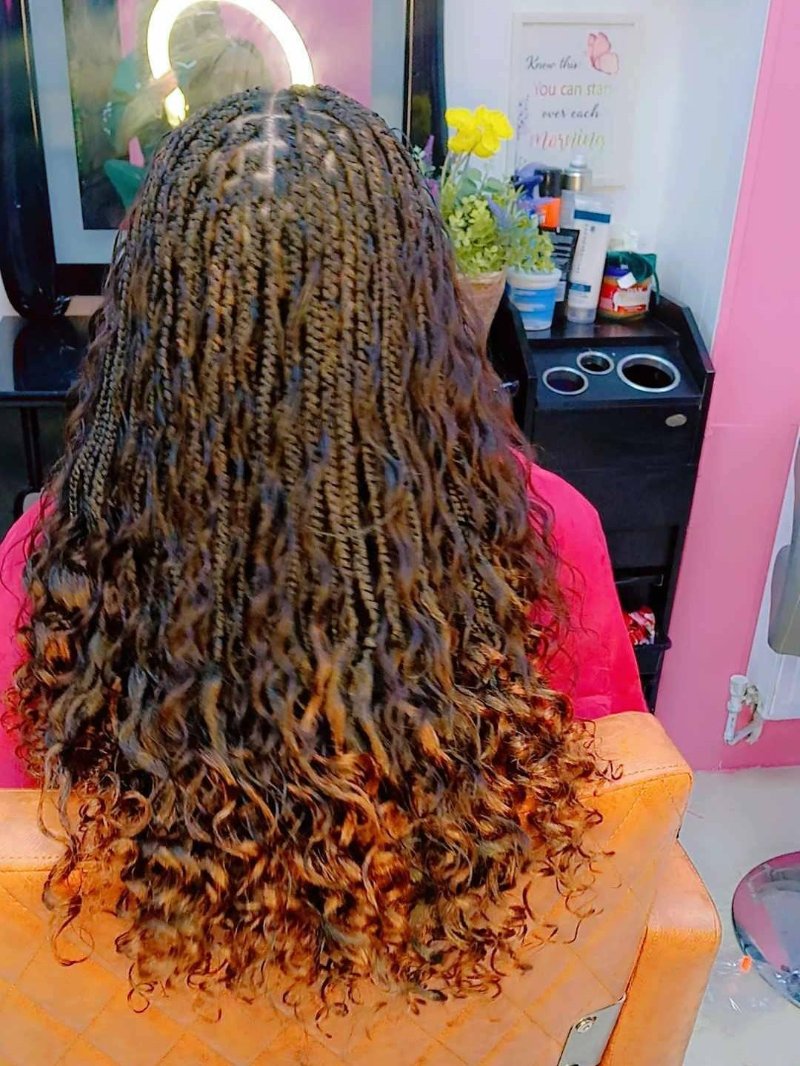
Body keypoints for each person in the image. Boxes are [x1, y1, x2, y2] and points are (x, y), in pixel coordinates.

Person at [0, 87, 644, 1008]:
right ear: (416, 302)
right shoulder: (552, 532)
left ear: (151, 314)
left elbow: (22, 849)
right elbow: (607, 793)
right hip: (435, 1012)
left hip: (171, 1010)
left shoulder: (53, 558)